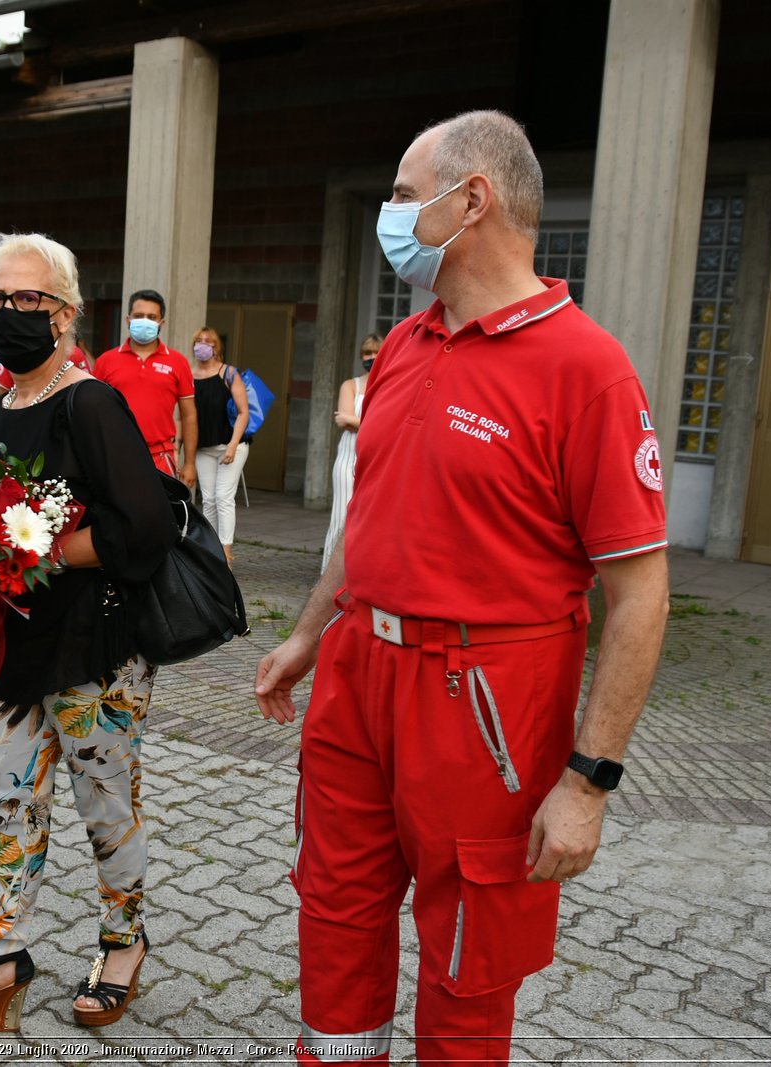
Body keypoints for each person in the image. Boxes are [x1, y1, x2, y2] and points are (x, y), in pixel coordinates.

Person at [253, 110, 671, 1066]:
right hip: (361, 675)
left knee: (468, 952)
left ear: (468, 200)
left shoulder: (588, 371)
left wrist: (588, 781)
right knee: (338, 908)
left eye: (403, 197)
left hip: (484, 694)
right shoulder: (406, 343)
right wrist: (310, 636)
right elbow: (370, 522)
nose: (392, 216)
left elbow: (641, 597)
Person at [0, 232, 174, 1041]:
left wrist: (39, 550)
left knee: (104, 804)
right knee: (9, 797)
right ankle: (0, 954)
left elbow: (148, 524)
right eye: (0, 299)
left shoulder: (89, 400)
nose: (13, 312)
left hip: (95, 648)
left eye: (32, 299)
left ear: (64, 314)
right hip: (20, 644)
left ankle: (124, 942)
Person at [93, 289, 198, 488]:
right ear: (128, 319)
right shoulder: (105, 361)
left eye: (152, 317)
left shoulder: (178, 362)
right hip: (114, 455)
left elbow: (189, 415)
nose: (145, 321)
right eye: (139, 316)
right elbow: (91, 412)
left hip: (160, 457)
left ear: (161, 323)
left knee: (158, 517)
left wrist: (190, 463)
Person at [188, 326, 250, 567]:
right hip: (204, 447)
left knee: (224, 497)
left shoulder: (229, 373)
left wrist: (233, 445)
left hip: (230, 444)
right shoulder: (189, 375)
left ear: (217, 347)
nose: (202, 345)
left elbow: (244, 412)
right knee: (210, 499)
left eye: (208, 341)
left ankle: (225, 553)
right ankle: (210, 548)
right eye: (198, 340)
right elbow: (185, 415)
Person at [320, 333, 381, 572]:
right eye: (367, 353)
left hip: (375, 458)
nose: (372, 357)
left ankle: (359, 573)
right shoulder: (350, 385)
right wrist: (367, 422)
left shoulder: (389, 384)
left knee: (371, 520)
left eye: (376, 352)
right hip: (348, 457)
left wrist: (354, 419)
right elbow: (342, 421)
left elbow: (387, 424)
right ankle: (327, 573)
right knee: (341, 517)